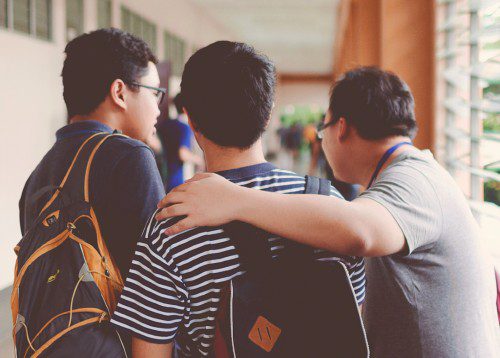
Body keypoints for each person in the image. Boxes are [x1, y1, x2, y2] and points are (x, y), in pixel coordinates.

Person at [156, 67, 500, 357]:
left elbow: (359, 232)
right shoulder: (415, 173)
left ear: (342, 128)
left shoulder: (415, 179)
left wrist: (234, 199)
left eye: (323, 129)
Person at [110, 41, 366, 357]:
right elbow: (355, 325)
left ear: (191, 120)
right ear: (268, 113)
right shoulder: (331, 207)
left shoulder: (172, 225)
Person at [20, 27, 165, 284]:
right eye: (154, 93)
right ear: (119, 92)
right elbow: (158, 278)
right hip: (114, 324)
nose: (157, 108)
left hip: (52, 325)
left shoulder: (39, 173)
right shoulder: (131, 156)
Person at [156, 93, 204, 192]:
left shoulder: (164, 124)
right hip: (177, 180)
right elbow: (182, 153)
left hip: (161, 177)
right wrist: (199, 160)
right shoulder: (185, 127)